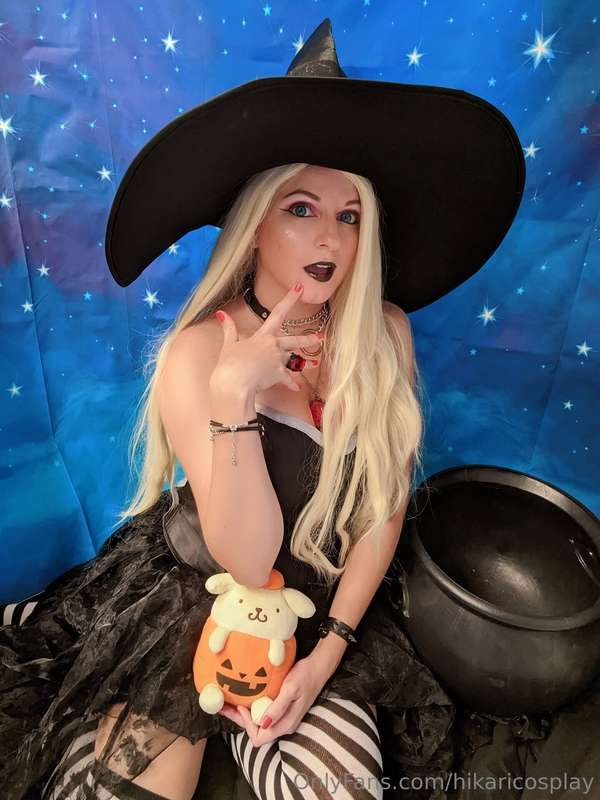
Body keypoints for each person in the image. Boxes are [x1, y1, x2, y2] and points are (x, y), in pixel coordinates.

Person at [0, 17, 526, 800]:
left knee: (342, 788)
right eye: (301, 209)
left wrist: (327, 653)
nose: (330, 238)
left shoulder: (384, 332)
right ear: (254, 227)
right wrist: (233, 399)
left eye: (349, 215)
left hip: (323, 603)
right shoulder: (198, 354)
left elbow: (380, 510)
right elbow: (247, 562)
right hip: (194, 591)